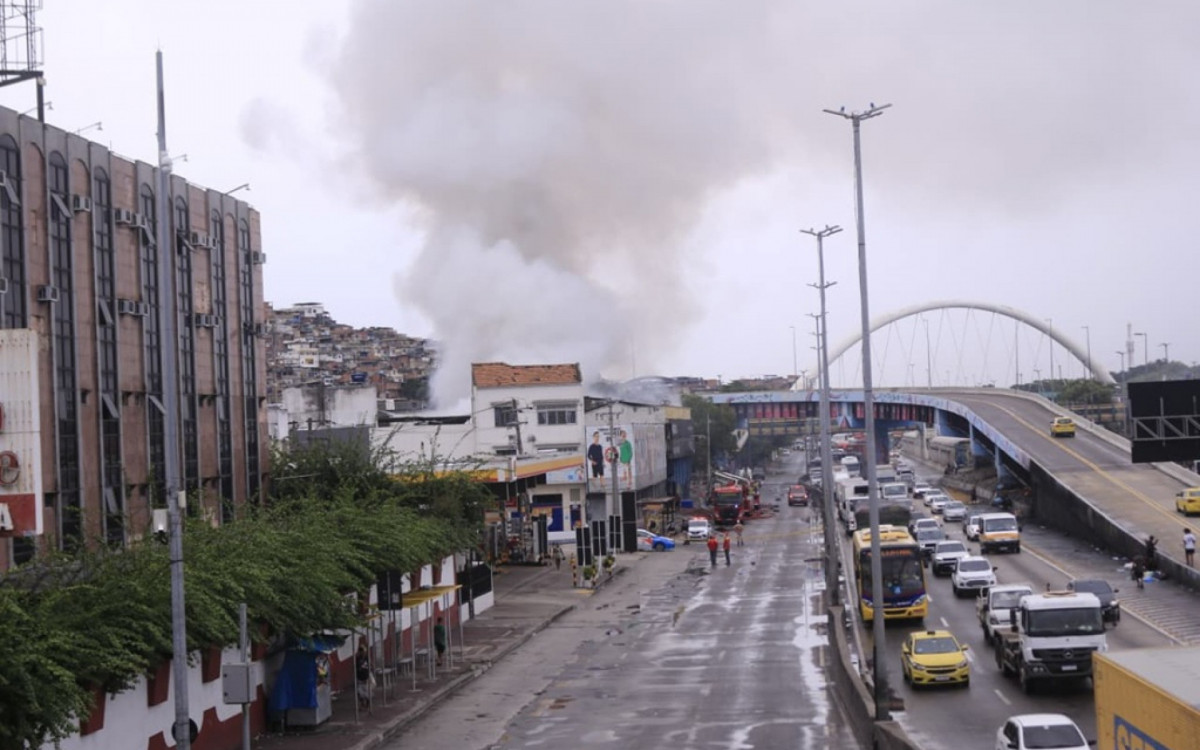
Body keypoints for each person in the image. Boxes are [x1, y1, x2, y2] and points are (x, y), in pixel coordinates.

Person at [355, 642, 372, 710]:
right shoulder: (357, 659)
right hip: (359, 677)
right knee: (359, 693)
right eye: (361, 651)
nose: (362, 653)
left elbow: (369, 666)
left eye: (363, 651)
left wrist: (368, 676)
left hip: (365, 677)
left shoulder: (367, 658)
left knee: (366, 692)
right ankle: (362, 704)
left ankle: (368, 702)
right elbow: (356, 667)